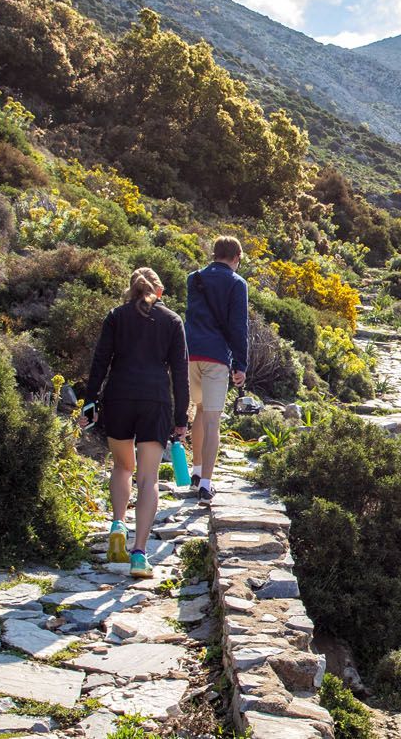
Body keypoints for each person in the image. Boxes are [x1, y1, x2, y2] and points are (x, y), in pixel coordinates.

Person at [84, 267, 190, 577]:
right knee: (148, 479)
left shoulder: (116, 316)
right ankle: (140, 554)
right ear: (159, 292)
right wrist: (180, 417)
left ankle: (118, 524)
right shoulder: (172, 321)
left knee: (121, 467)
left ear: (131, 290)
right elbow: (180, 374)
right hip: (154, 400)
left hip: (118, 397)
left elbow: (100, 360)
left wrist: (91, 399)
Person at [183, 236, 249, 501]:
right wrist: (240, 364)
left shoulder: (194, 278)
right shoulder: (237, 283)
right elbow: (238, 326)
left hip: (188, 353)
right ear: (235, 257)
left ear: (214, 254)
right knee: (212, 419)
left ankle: (196, 471)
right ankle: (206, 484)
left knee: (197, 411)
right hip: (216, 356)